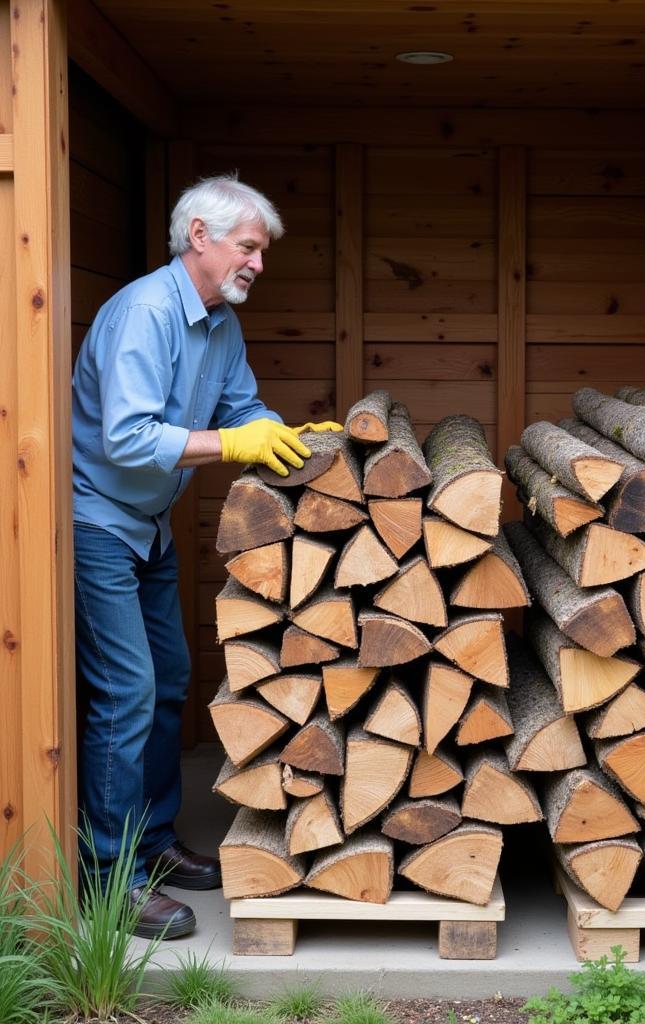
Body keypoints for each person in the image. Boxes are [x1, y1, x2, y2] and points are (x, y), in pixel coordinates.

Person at [71, 174, 340, 938]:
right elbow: (124, 440)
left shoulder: (219, 323)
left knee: (170, 681)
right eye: (248, 246)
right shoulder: (143, 313)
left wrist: (286, 436)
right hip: (97, 521)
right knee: (126, 691)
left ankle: (152, 850)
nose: (257, 262)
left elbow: (240, 408)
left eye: (262, 251)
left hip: (149, 523)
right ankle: (108, 876)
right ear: (199, 236)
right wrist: (233, 443)